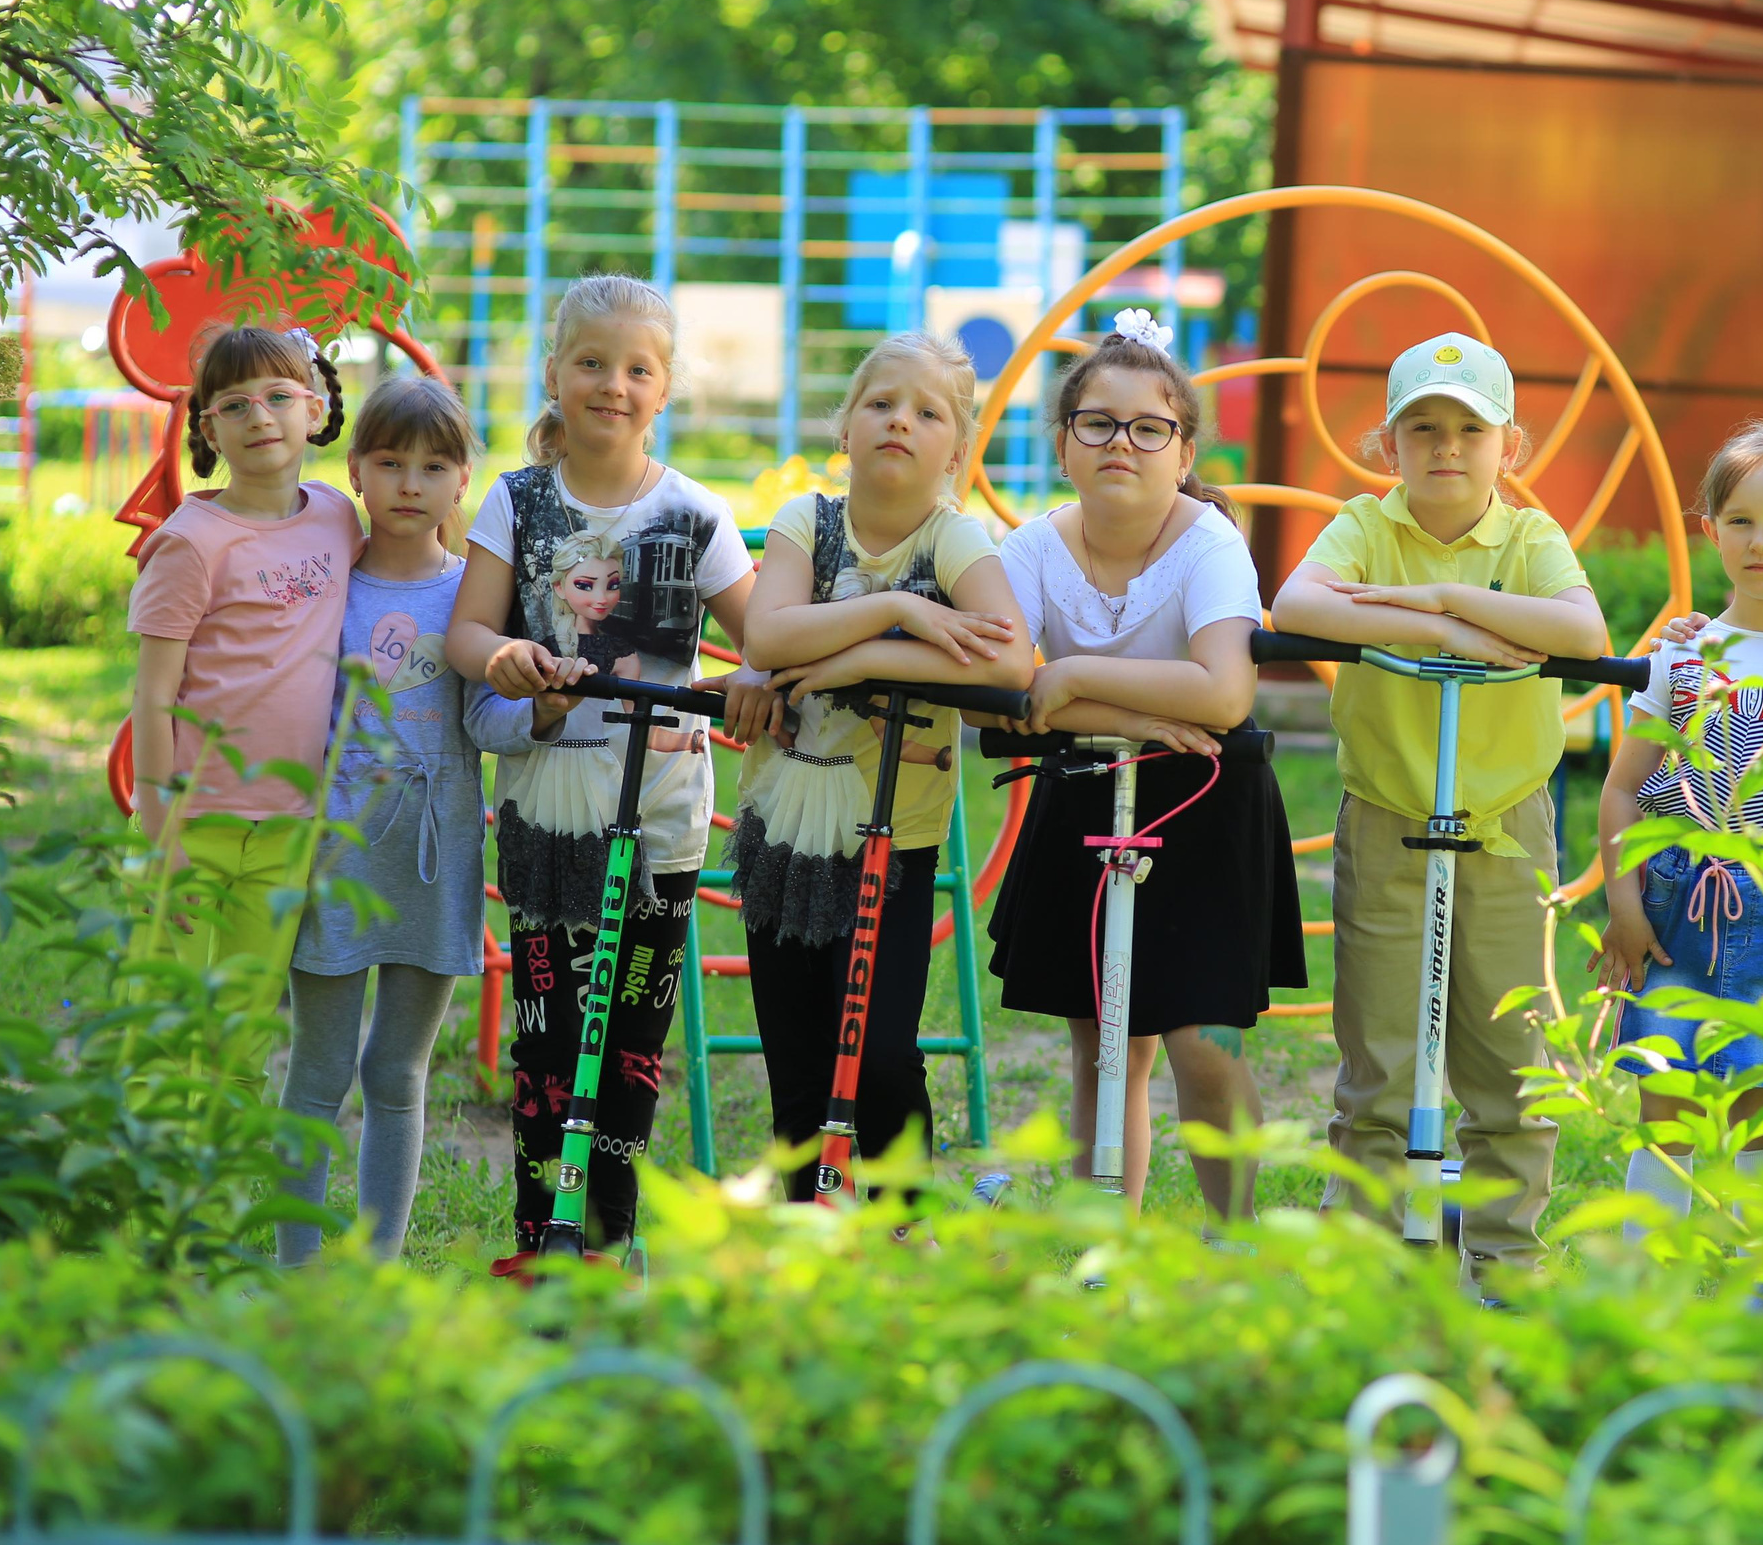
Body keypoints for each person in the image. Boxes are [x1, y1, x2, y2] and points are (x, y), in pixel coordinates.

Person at [447, 274, 781, 1269]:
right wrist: (502, 659)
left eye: (637, 369)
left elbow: (766, 635)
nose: (612, 385)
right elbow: (467, 630)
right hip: (551, 816)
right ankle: (538, 1242)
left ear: (664, 389)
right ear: (553, 374)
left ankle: (608, 1242)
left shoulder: (694, 512)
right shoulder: (516, 504)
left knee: (633, 1035)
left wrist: (763, 674)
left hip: (664, 824)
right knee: (548, 1036)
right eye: (591, 363)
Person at [1270, 331, 1608, 1284]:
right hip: (1389, 812)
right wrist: (1438, 619)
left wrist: (1453, 593)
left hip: (1505, 822)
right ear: (1389, 445)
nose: (1446, 446)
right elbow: (1298, 606)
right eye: (1423, 427)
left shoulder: (1531, 540)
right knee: (1378, 1054)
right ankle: (1369, 1258)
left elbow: (1582, 630)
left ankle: (1505, 1259)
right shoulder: (1365, 527)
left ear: (1512, 447)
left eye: (1470, 428)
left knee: (1510, 1052)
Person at [991, 310, 1307, 1225]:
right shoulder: (1031, 549)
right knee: (1105, 1041)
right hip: (1086, 787)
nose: (1120, 443)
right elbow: (1010, 690)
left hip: (1206, 792)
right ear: (1062, 443)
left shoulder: (1209, 542)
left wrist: (1076, 674)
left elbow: (1223, 696)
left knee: (1203, 1045)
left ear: (1183, 448)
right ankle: (1106, 1248)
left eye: (1148, 427)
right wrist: (1132, 712)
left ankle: (1235, 1242)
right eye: (1097, 422)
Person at [731, 331, 1031, 1198]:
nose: (901, 420)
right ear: (846, 427)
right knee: (797, 1047)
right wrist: (898, 610)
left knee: (882, 1049)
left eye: (927, 412)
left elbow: (1011, 665)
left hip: (893, 834)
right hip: (781, 825)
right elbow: (769, 634)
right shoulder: (807, 523)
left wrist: (867, 660)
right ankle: (806, 1222)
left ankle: (901, 1218)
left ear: (956, 450)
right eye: (881, 403)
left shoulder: (955, 540)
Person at [280, 375, 548, 1265]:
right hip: (336, 857)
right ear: (355, 469)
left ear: (463, 479)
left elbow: (485, 720)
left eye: (433, 466)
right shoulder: (326, 588)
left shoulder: (475, 596)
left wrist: (541, 710)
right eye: (390, 462)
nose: (409, 483)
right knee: (315, 1076)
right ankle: (297, 1269)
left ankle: (379, 1267)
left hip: (438, 864)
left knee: (397, 1074)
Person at [1587, 422, 1763, 1232]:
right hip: (1675, 903)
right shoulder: (1681, 654)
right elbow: (1622, 789)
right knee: (1668, 1104)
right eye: (1740, 520)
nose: (1761, 540)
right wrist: (1625, 905)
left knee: (1760, 1112)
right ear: (1709, 530)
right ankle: (1643, 1283)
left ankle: (1746, 1291)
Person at [127, 324, 358, 990]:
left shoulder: (339, 519)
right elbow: (152, 694)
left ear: (314, 409)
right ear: (211, 430)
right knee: (162, 1028)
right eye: (235, 405)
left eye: (277, 397)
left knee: (243, 1032)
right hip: (193, 820)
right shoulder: (192, 543)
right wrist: (158, 823)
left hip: (288, 823)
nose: (259, 417)